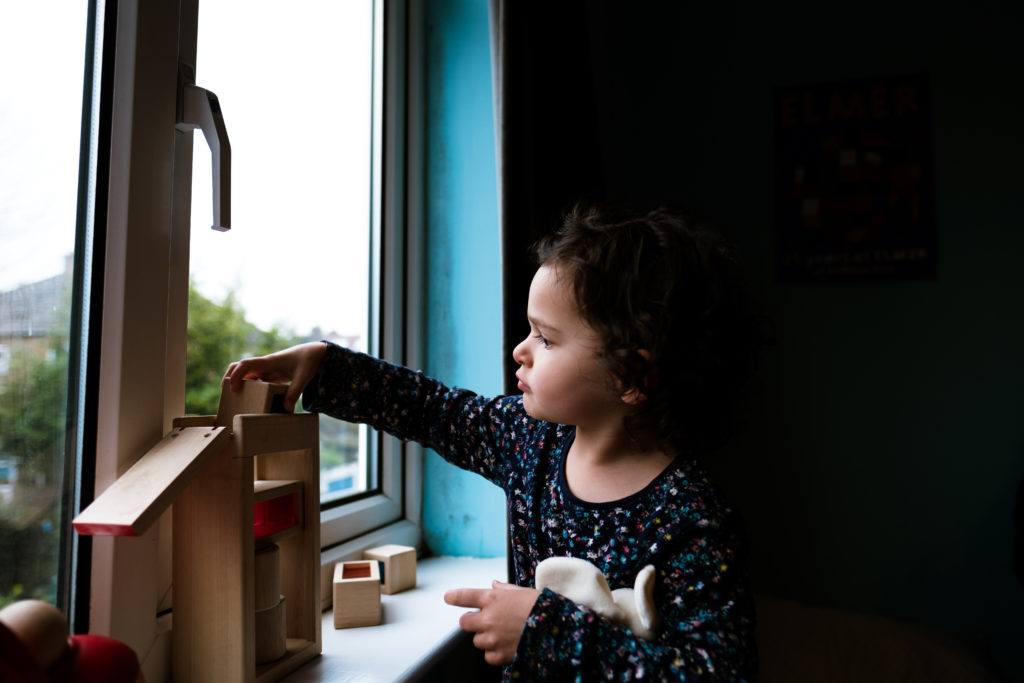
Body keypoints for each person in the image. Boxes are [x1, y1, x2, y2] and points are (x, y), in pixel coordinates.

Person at [225, 204, 766, 681]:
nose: (520, 350)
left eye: (546, 338)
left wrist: (547, 633)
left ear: (630, 377)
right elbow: (434, 410)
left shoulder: (693, 519)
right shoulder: (531, 440)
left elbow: (718, 671)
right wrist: (325, 367)